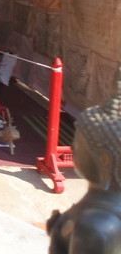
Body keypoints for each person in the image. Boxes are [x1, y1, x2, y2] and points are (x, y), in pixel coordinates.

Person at [47, 93, 121, 253]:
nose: (72, 149)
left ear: (104, 160)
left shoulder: (94, 227)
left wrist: (58, 236)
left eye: (78, 145)